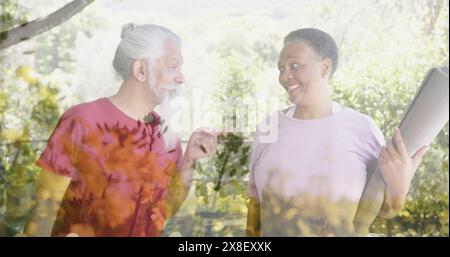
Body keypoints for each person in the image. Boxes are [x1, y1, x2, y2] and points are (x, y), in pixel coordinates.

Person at [22, 23, 218, 237]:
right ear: (141, 70)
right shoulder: (81, 121)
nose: (182, 78)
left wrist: (190, 160)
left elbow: (165, 210)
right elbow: (41, 216)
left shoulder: (166, 134)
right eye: (173, 66)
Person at [246, 28, 428, 236]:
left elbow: (384, 212)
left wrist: (399, 188)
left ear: (325, 67)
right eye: (281, 68)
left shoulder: (362, 129)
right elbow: (255, 205)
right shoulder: (269, 127)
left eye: (294, 65)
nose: (285, 76)